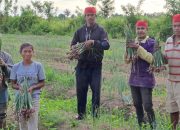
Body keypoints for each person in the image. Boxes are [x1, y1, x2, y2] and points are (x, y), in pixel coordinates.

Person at [71, 7, 110, 120]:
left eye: (92, 15)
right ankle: (81, 115)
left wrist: (94, 42)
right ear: (85, 17)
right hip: (82, 65)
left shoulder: (101, 30)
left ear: (95, 16)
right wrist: (75, 51)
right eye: (88, 15)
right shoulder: (79, 31)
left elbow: (106, 45)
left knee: (96, 91)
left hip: (95, 66)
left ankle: (95, 116)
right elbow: (73, 44)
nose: (90, 17)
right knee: (81, 90)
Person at [124, 20, 156, 129]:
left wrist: (138, 49)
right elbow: (126, 60)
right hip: (134, 79)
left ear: (147, 30)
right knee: (137, 104)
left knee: (147, 105)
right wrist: (130, 57)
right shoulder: (131, 42)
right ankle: (141, 125)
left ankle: (153, 126)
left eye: (142, 28)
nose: (140, 31)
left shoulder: (151, 43)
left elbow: (153, 59)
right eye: (138, 28)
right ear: (135, 30)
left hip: (146, 79)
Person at [10, 43, 45, 130]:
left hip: (33, 98)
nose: (27, 53)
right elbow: (13, 84)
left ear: (33, 52)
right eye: (25, 51)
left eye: (30, 51)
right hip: (20, 98)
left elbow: (42, 83)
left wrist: (32, 87)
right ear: (20, 53)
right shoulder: (16, 66)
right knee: (22, 123)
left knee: (33, 123)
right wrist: (19, 87)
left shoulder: (38, 66)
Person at [164, 14, 180, 130]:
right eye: (175, 26)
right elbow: (166, 59)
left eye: (179, 26)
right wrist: (158, 57)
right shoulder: (168, 40)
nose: (177, 28)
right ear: (172, 26)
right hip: (170, 81)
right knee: (172, 109)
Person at [0, 37, 13, 129]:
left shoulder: (6, 56)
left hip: (2, 92)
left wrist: (4, 65)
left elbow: (12, 75)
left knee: (1, 118)